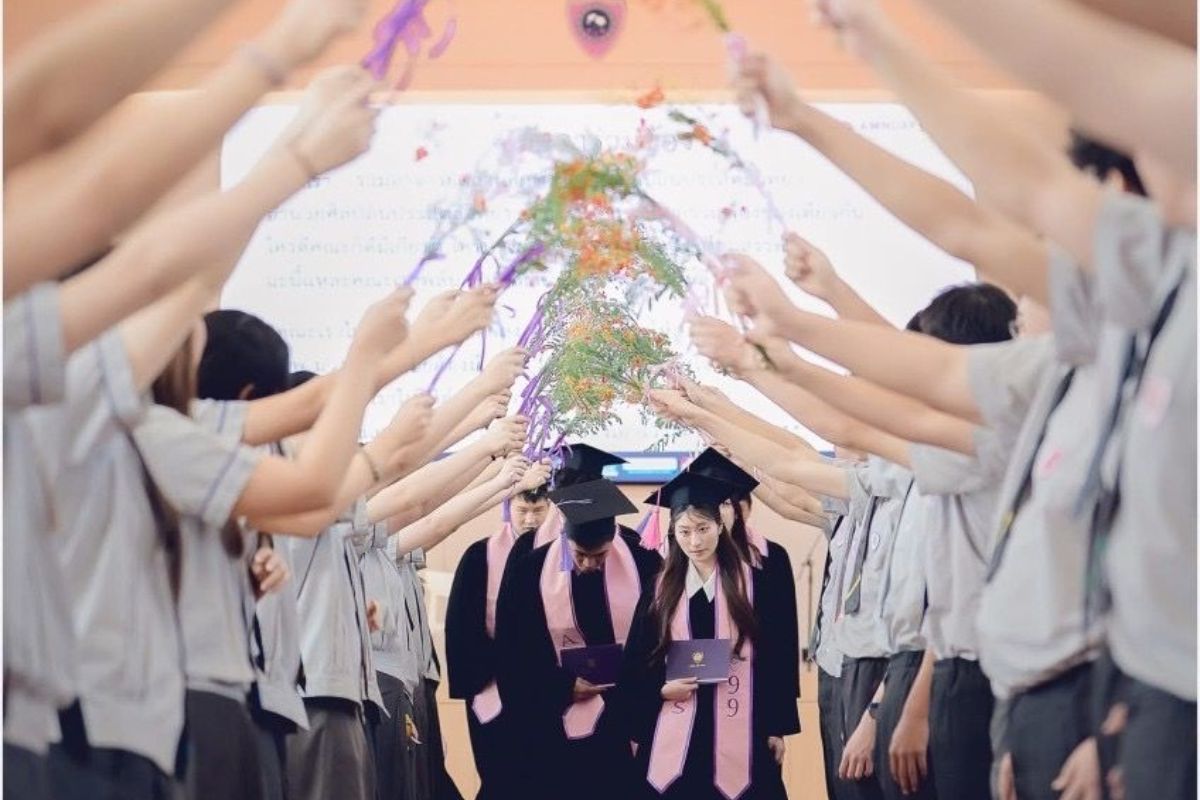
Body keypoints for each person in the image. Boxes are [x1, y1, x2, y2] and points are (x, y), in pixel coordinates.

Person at [621, 471, 798, 800]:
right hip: (676, 726)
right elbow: (637, 660)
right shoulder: (660, 589)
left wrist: (777, 726)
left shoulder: (755, 584)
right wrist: (659, 690)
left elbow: (777, 657)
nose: (695, 542)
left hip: (744, 725)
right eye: (685, 532)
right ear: (673, 533)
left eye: (703, 529)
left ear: (720, 525)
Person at [495, 478, 661, 800]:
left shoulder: (644, 563)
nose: (588, 564)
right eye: (580, 554)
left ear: (613, 538)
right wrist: (561, 686)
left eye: (599, 555)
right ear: (565, 537)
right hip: (556, 722)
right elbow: (512, 652)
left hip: (623, 717)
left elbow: (659, 640)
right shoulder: (530, 571)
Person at [445, 471, 553, 800]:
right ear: (508, 507)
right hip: (494, 685)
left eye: (539, 510)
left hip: (551, 689)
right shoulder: (481, 556)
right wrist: (503, 668)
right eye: (523, 510)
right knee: (502, 779)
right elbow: (461, 628)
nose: (531, 519)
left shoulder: (564, 554)